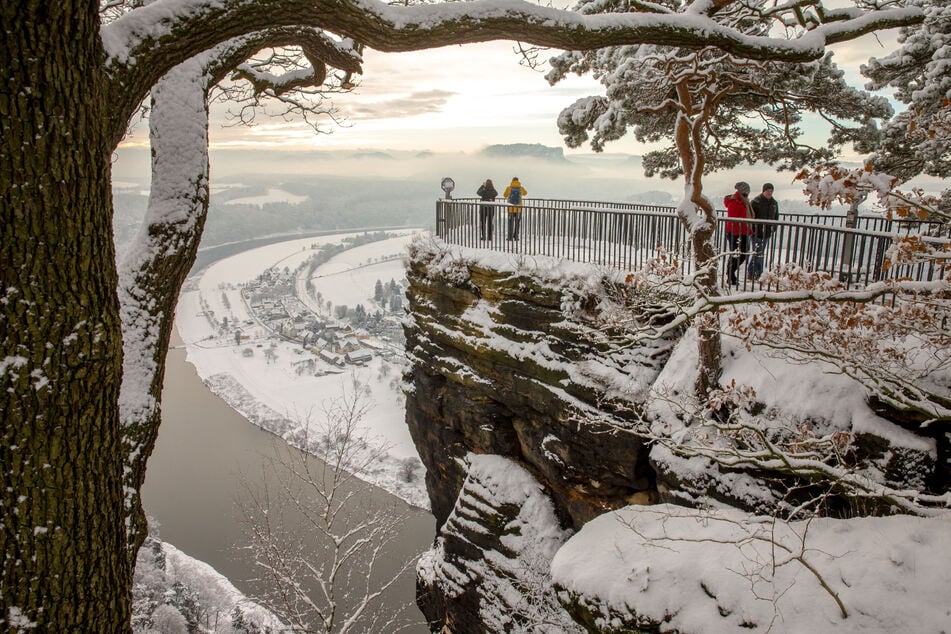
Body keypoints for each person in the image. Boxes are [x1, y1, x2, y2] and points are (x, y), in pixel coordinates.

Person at [723, 181, 754, 287]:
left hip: (743, 232)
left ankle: (731, 274)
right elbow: (733, 220)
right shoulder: (734, 202)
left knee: (741, 255)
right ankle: (730, 274)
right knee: (737, 255)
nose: (748, 193)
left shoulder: (744, 202)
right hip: (735, 233)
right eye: (747, 191)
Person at [747, 182, 779, 281]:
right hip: (756, 231)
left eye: (771, 191)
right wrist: (751, 228)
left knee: (759, 253)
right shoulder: (756, 202)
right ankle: (756, 274)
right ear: (763, 191)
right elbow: (751, 216)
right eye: (767, 191)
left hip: (767, 232)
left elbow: (776, 216)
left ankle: (753, 273)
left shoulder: (774, 203)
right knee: (758, 252)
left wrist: (774, 227)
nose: (769, 193)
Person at [503, 177, 527, 241]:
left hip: (510, 208)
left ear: (512, 181)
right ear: (518, 181)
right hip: (518, 209)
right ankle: (516, 237)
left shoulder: (509, 188)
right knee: (517, 223)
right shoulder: (521, 188)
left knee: (510, 223)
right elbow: (525, 193)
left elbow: (504, 195)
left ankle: (510, 237)